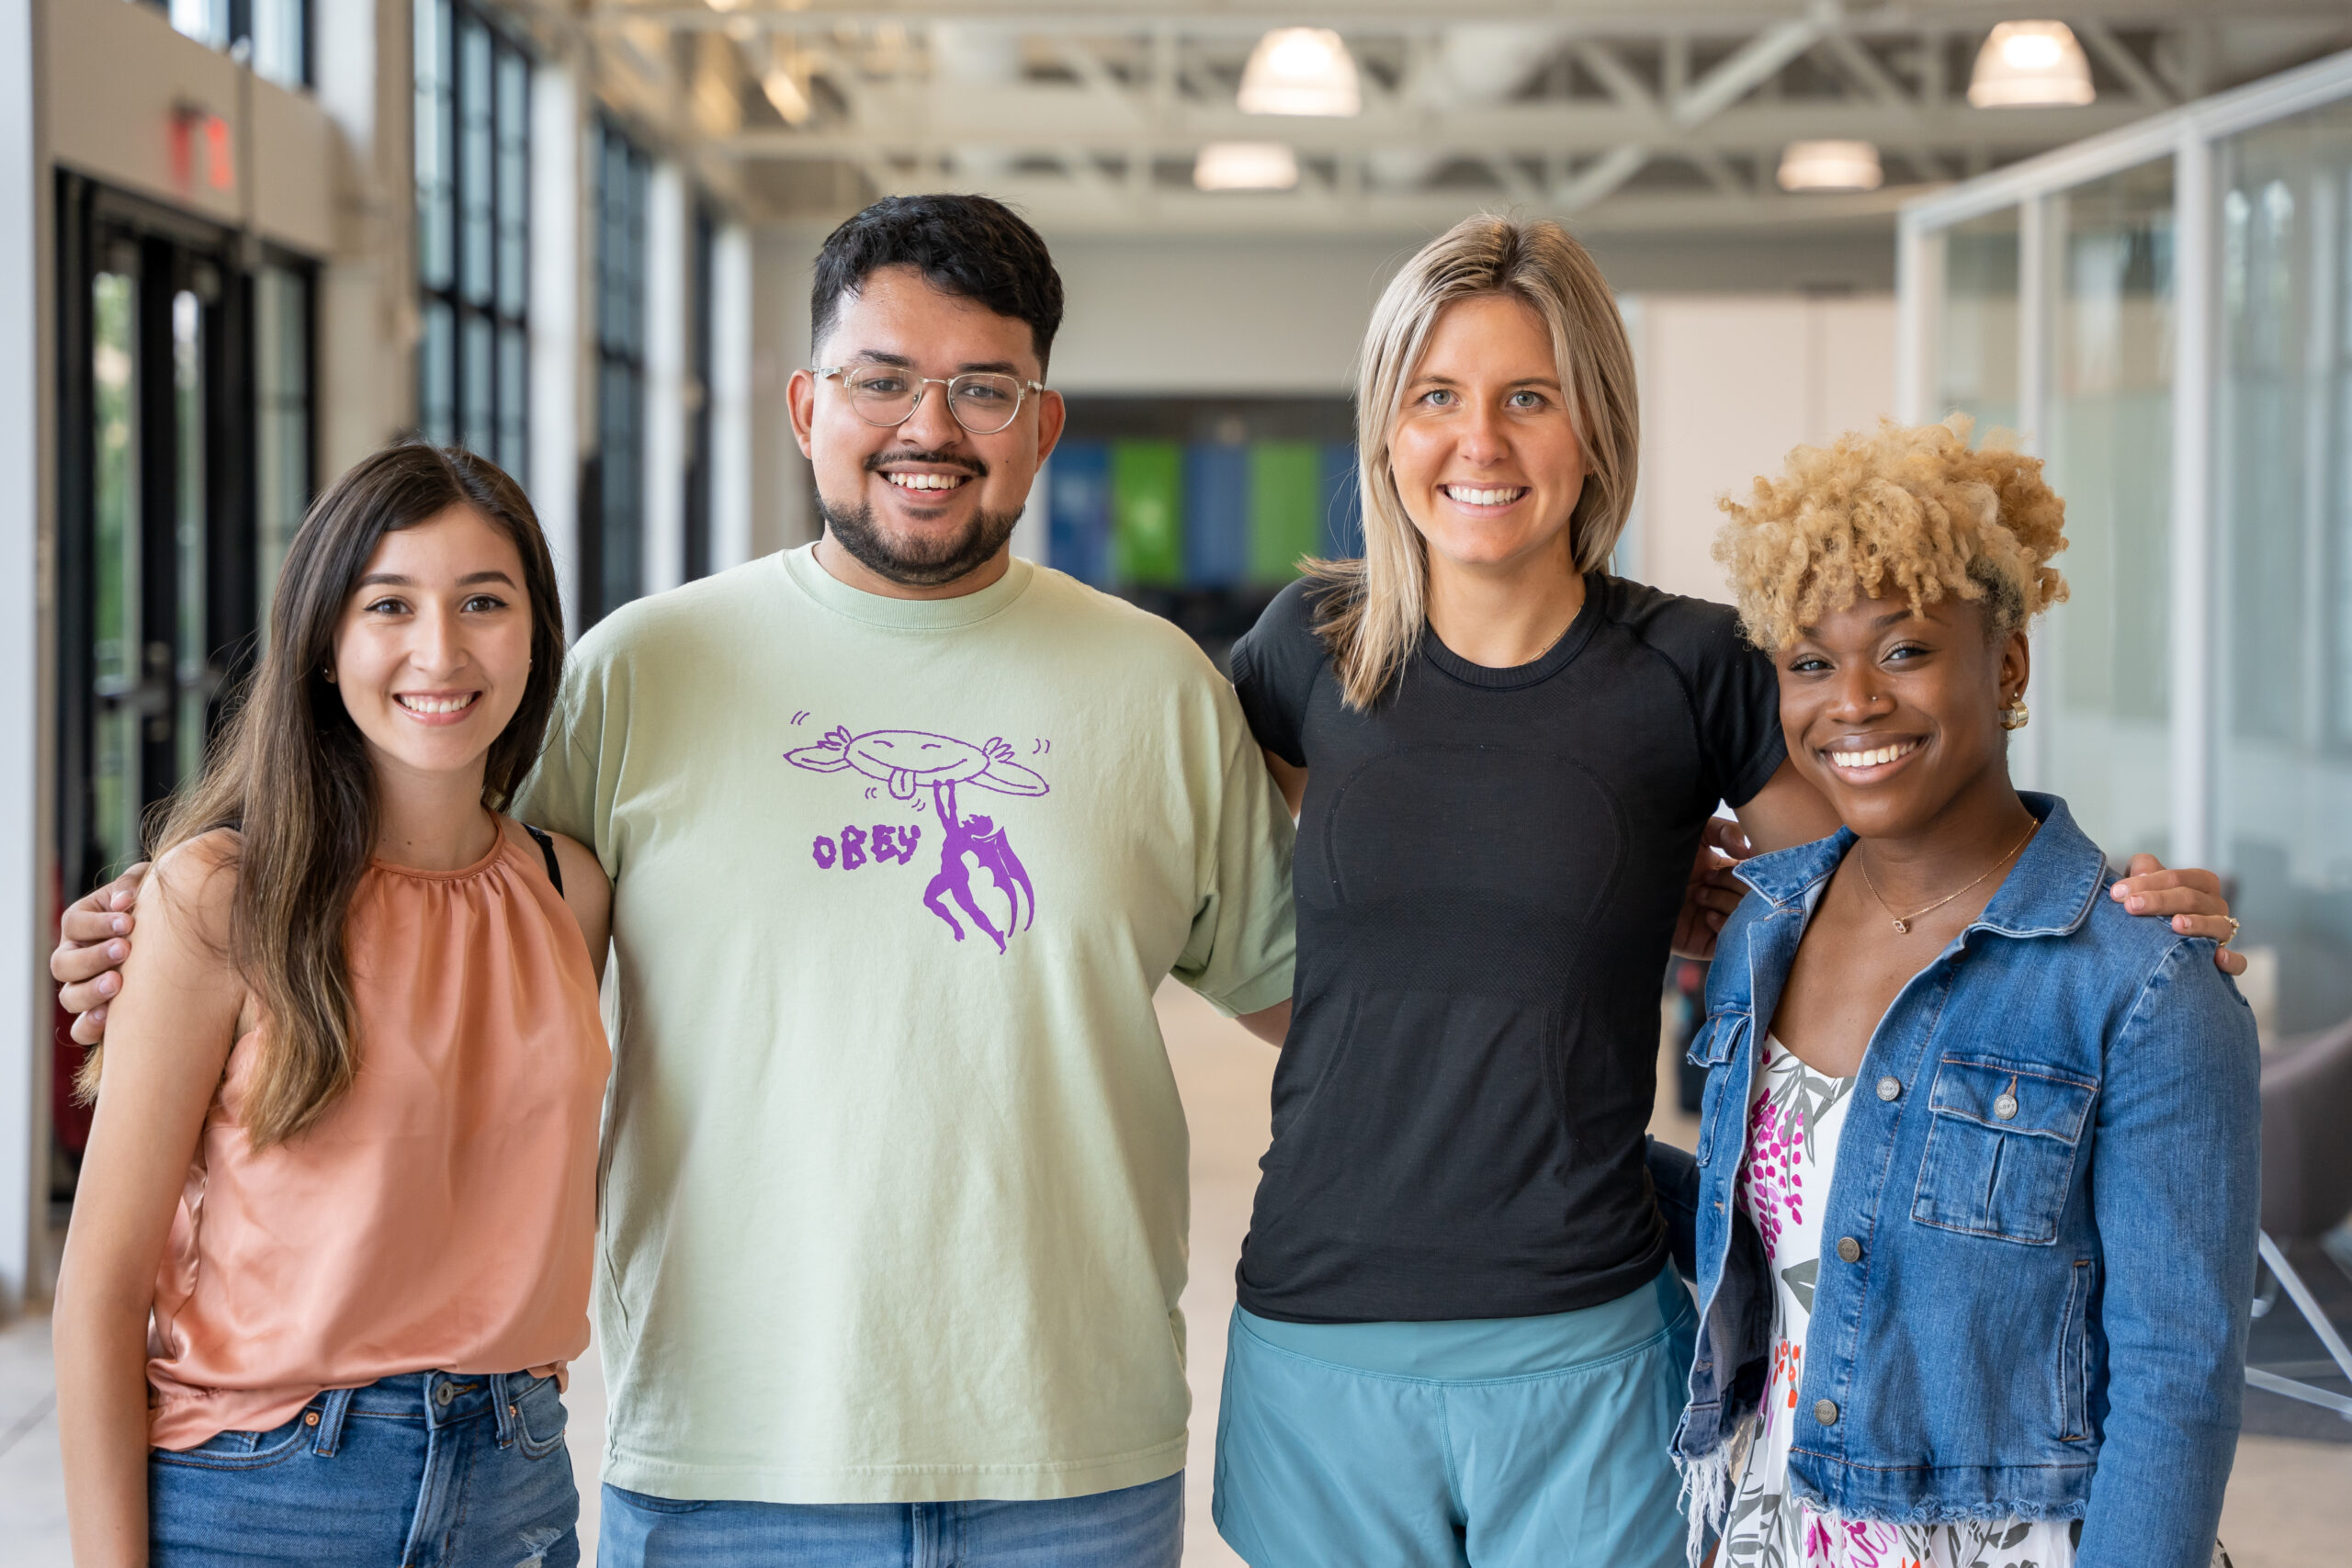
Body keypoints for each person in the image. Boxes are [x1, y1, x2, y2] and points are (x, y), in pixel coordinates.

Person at [59, 194, 1294, 1566]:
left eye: (982, 387)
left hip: (1073, 1457)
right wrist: (177, 920)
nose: (927, 426)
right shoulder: (640, 673)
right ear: (806, 403)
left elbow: (1307, 998)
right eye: (881, 379)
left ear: (1043, 424)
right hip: (723, 1460)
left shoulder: (1161, 691)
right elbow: (416, 876)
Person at [1210, 216, 2244, 1568]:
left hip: (1582, 1325)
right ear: (1385, 426)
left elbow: (1905, 862)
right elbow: (1213, 898)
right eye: (1436, 398)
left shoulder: (1689, 665)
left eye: (1532, 395)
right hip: (1316, 1321)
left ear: (1597, 423)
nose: (1482, 441)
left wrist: (2129, 920)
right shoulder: (1309, 650)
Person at [1657, 417, 2255, 1568]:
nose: (1854, 704)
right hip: (1768, 1530)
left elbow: (2177, 1382)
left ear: (2010, 664)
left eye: (1905, 650)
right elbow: (1804, 1229)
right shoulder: (1761, 934)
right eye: (1811, 662)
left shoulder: (2145, 981)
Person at [51, 445, 613, 1568]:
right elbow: (101, 1293)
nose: (439, 651)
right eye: (388, 605)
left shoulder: (570, 888)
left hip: (516, 1480)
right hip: (264, 1491)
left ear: (538, 636)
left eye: (483, 603)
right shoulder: (220, 897)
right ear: (324, 646)